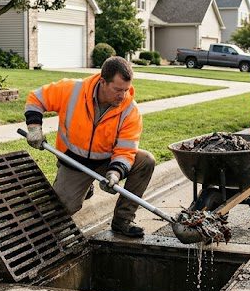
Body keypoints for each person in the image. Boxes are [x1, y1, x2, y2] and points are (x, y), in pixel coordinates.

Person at [24, 56, 154, 238]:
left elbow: (126, 149)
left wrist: (116, 173)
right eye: (118, 89)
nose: (123, 95)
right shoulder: (72, 90)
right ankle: (85, 187)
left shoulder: (130, 110)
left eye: (126, 89)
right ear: (103, 82)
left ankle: (123, 220)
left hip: (105, 162)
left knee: (146, 160)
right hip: (73, 161)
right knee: (63, 209)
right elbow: (36, 97)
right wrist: (34, 128)